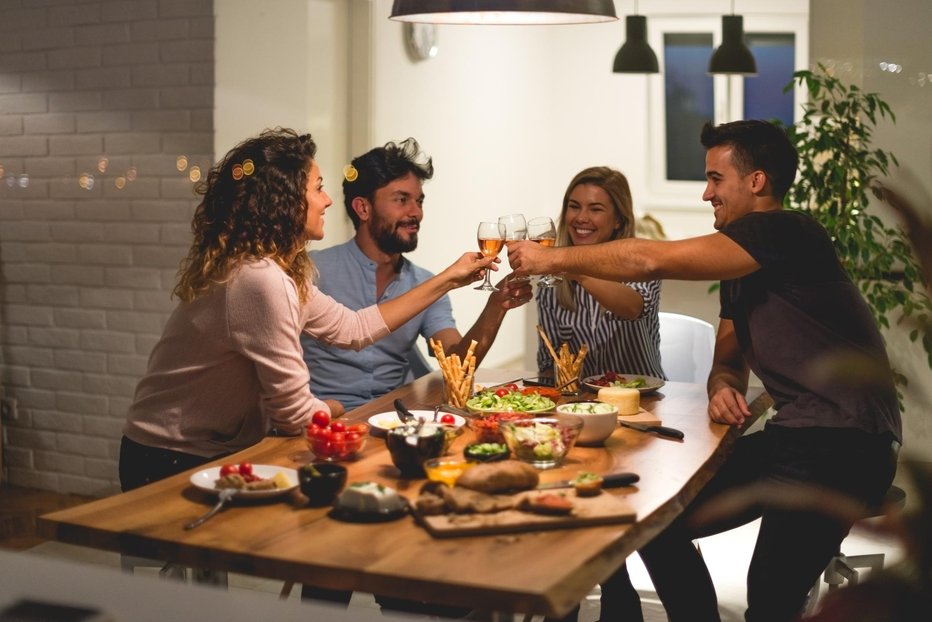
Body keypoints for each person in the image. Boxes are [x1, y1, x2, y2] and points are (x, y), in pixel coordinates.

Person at [508, 119, 902, 622]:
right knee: (655, 520)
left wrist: (554, 258)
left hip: (846, 445)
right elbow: (729, 360)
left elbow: (651, 260)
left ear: (755, 181)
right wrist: (721, 387)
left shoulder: (782, 229)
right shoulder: (741, 266)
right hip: (796, 439)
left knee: (771, 596)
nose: (705, 193)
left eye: (716, 179)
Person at [120, 128, 495, 492]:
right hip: (170, 455)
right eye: (317, 188)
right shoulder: (260, 279)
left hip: (208, 450)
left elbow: (354, 328)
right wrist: (336, 406)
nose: (328, 200)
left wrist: (450, 277)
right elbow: (295, 415)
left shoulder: (276, 269)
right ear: (283, 200)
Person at [301, 137, 531, 411]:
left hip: (394, 418)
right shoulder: (310, 270)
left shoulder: (425, 283)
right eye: (402, 200)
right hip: (325, 421)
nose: (416, 213)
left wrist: (496, 307)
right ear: (363, 208)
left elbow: (457, 364)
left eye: (419, 201)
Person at [536, 166, 664, 381]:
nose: (581, 218)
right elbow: (550, 363)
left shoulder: (640, 263)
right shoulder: (553, 282)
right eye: (574, 207)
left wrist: (577, 270)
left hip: (641, 397)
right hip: (580, 401)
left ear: (618, 220)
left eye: (595, 209)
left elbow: (632, 308)